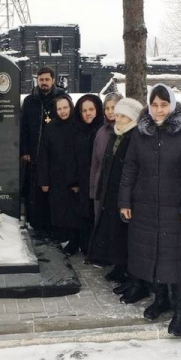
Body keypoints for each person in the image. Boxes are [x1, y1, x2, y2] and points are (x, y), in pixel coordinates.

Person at [119, 84, 181, 337]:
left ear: (173, 105)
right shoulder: (141, 133)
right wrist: (125, 201)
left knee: (178, 259)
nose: (159, 110)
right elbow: (130, 168)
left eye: (164, 105)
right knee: (152, 255)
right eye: (154, 104)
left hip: (176, 209)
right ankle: (161, 299)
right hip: (145, 206)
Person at [88, 98, 150, 304]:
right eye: (118, 114)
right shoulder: (119, 134)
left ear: (133, 117)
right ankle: (128, 277)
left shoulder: (135, 136)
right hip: (114, 194)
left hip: (129, 198)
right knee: (120, 238)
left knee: (131, 242)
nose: (118, 118)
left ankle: (137, 283)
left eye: (123, 115)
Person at [20, 66, 67, 235]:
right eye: (41, 80)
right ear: (37, 80)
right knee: (36, 192)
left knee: (54, 192)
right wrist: (24, 149)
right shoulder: (30, 100)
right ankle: (37, 225)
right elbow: (23, 126)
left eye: (47, 79)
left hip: (56, 155)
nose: (44, 83)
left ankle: (54, 225)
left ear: (53, 80)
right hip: (35, 152)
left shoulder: (62, 98)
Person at [37, 95, 79, 254]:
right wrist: (44, 180)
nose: (62, 111)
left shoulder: (78, 125)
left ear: (71, 107)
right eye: (59, 109)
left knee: (74, 210)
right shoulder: (51, 127)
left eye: (65, 108)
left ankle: (74, 240)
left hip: (74, 177)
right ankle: (63, 236)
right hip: (56, 176)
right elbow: (44, 155)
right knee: (59, 209)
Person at [89, 92, 123, 255]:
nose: (110, 111)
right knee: (101, 221)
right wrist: (93, 189)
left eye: (113, 107)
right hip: (101, 184)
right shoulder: (101, 132)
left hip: (117, 186)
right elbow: (95, 163)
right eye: (107, 108)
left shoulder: (125, 131)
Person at [72, 94, 104, 255]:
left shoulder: (104, 130)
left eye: (91, 109)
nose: (88, 113)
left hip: (98, 180)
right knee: (84, 214)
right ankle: (85, 247)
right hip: (83, 180)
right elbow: (71, 157)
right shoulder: (76, 130)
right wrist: (74, 181)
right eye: (84, 110)